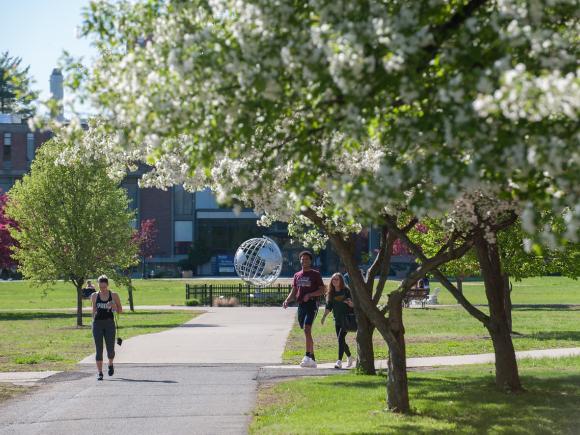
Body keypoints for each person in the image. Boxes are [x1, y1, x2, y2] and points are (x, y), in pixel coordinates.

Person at [283, 251, 326, 368]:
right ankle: (312, 359)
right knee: (306, 331)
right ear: (300, 260)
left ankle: (307, 356)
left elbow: (323, 290)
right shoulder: (297, 275)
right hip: (301, 305)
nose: (304, 261)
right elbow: (294, 291)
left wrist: (311, 295)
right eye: (302, 259)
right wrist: (287, 300)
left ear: (310, 261)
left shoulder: (315, 274)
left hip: (312, 305)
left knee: (307, 329)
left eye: (306, 259)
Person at [91, 275, 122, 380]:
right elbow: (93, 310)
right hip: (97, 324)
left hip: (109, 324)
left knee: (110, 350)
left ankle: (110, 364)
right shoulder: (94, 296)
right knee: (98, 349)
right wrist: (93, 321)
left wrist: (115, 307)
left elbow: (120, 311)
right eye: (100, 287)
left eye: (104, 287)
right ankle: (100, 373)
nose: (102, 289)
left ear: (107, 285)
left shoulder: (114, 295)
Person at [321, 273, 356, 369]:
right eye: (333, 279)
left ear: (341, 281)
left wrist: (350, 303)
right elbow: (329, 307)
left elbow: (353, 304)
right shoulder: (331, 293)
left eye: (337, 279)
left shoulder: (346, 291)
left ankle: (339, 361)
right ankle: (349, 356)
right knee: (341, 340)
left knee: (340, 338)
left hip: (346, 319)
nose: (334, 281)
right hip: (337, 320)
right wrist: (324, 317)